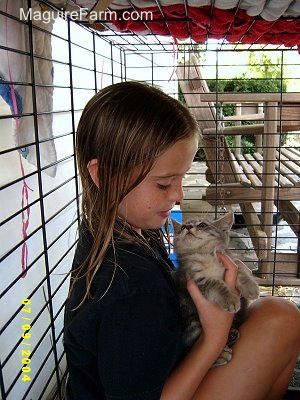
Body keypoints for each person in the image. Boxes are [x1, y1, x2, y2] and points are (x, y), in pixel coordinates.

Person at [63, 81, 300, 400]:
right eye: (163, 184)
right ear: (103, 175)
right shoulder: (131, 291)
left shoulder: (118, 228)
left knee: (278, 313)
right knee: (281, 322)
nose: (178, 195)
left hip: (166, 364)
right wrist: (214, 338)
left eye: (181, 177)